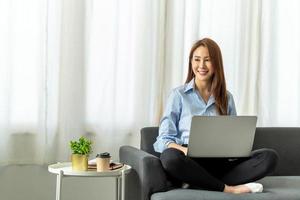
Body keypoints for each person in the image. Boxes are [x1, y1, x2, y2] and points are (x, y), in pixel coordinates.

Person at [153, 38, 278, 194]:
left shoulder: (227, 98)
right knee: (170, 158)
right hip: (189, 160)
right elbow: (162, 140)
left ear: (216, 64)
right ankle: (227, 188)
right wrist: (185, 150)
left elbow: (234, 137)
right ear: (191, 62)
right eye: (197, 60)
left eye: (207, 60)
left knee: (269, 157)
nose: (201, 66)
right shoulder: (178, 95)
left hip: (220, 162)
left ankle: (199, 182)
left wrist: (237, 149)